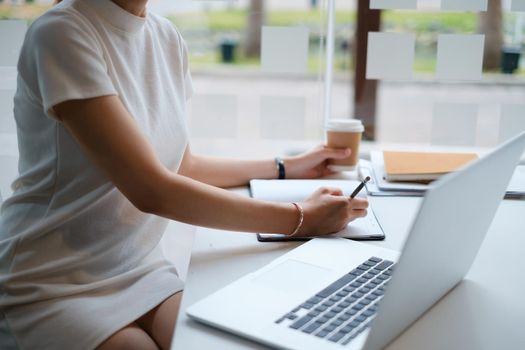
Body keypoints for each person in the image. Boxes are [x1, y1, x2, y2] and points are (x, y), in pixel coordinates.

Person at [0, 0, 369, 349]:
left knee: (213, 341)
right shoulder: (61, 33)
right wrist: (299, 218)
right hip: (49, 278)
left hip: (136, 268)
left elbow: (181, 166)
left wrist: (285, 167)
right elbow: (152, 190)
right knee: (137, 346)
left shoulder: (165, 37)